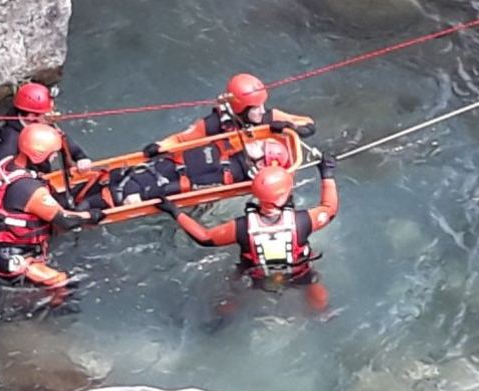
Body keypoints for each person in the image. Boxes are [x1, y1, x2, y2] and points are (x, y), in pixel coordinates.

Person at [155, 155, 339, 308]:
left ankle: (222, 321)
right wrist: (327, 174)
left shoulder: (242, 227)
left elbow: (204, 238)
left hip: (254, 275)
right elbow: (329, 209)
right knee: (313, 286)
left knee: (234, 293)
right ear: (285, 195)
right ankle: (323, 315)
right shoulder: (303, 221)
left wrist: (175, 211)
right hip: (298, 273)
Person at [0, 123, 105, 289]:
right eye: (51, 155)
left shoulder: (5, 165)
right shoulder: (29, 190)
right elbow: (66, 220)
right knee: (62, 283)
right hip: (11, 258)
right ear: (38, 155)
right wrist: (92, 216)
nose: (52, 159)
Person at [75, 137, 294, 209]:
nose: (258, 142)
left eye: (262, 148)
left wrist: (142, 197)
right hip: (136, 173)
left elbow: (186, 186)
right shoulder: (228, 145)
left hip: (137, 188)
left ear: (260, 166)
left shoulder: (227, 175)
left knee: (83, 203)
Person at [141, 73, 316, 158]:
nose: (262, 110)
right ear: (241, 109)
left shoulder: (270, 118)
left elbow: (309, 125)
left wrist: (291, 127)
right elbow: (181, 139)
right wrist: (159, 146)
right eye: (256, 108)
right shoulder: (215, 124)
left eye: (262, 105)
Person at [0, 82, 92, 173]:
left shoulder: (42, 121)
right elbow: (2, 167)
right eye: (46, 113)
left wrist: (80, 157)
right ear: (31, 116)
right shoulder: (11, 136)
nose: (51, 115)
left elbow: (61, 139)